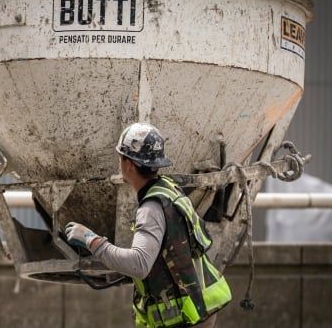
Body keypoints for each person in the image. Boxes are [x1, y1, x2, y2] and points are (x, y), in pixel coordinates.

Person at [65, 123, 232, 328]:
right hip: (199, 310)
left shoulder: (151, 208)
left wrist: (91, 240)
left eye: (121, 157)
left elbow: (139, 264)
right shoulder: (169, 190)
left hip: (184, 319)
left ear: (129, 165)